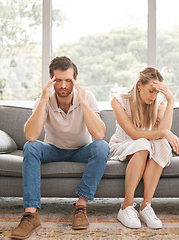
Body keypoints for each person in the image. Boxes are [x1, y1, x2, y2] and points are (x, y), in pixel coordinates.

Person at [11, 56, 110, 239]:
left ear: (75, 81)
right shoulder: (44, 99)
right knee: (30, 147)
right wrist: (42, 101)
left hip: (81, 150)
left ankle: (80, 206)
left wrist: (84, 103)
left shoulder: (87, 97)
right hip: (53, 150)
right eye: (58, 80)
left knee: (102, 147)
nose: (63, 85)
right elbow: (32, 136)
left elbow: (98, 135)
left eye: (68, 80)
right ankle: (31, 214)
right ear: (51, 80)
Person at [109, 66, 179, 229]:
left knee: (162, 145)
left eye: (157, 92)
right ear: (139, 85)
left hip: (146, 147)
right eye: (151, 91)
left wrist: (170, 101)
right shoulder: (118, 101)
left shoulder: (159, 104)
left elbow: (162, 134)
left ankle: (146, 207)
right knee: (142, 143)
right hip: (121, 145)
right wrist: (163, 132)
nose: (154, 96)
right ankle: (126, 207)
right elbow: (135, 134)